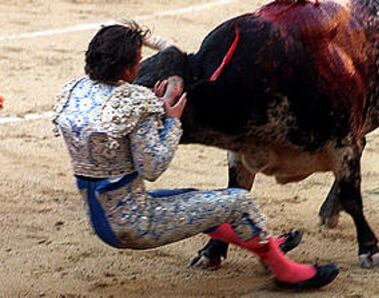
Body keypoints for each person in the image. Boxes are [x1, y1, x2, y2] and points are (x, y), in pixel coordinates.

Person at [52, 21, 338, 289]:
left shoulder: (73, 91)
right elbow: (153, 167)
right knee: (239, 201)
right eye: (137, 61)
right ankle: (287, 271)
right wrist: (170, 119)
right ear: (128, 69)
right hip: (135, 223)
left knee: (196, 201)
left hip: (100, 212)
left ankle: (266, 242)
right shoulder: (135, 103)